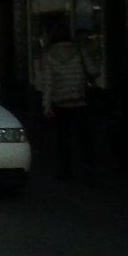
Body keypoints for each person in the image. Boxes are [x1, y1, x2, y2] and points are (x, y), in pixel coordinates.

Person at [39, 20, 95, 182]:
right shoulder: (80, 50)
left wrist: (46, 105)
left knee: (63, 139)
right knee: (84, 138)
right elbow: (93, 70)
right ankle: (87, 170)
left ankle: (66, 171)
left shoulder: (49, 55)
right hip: (80, 100)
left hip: (60, 102)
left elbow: (48, 82)